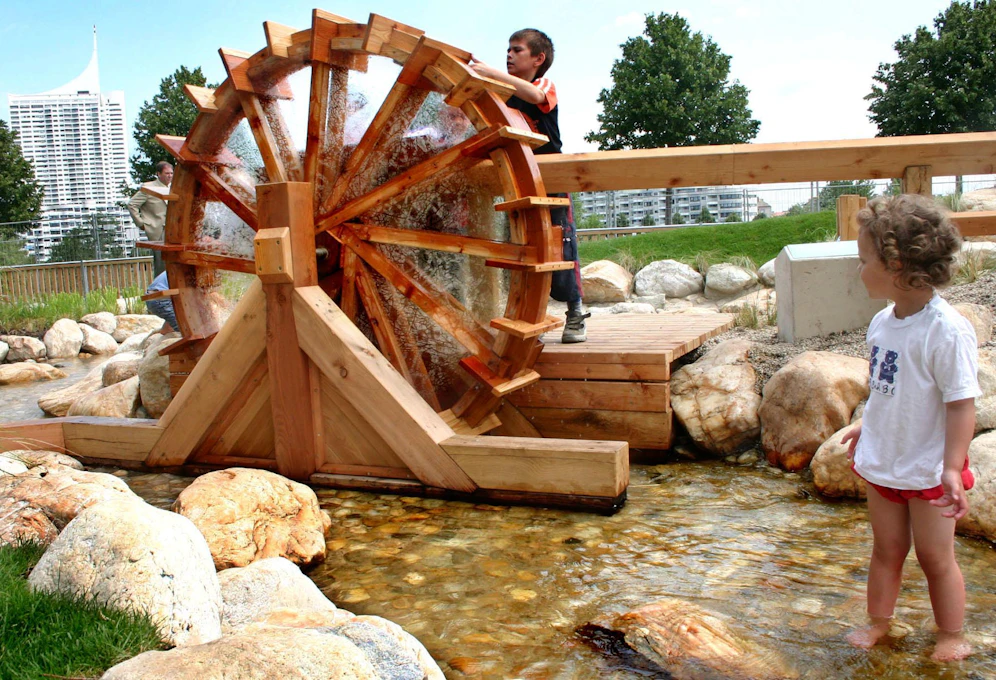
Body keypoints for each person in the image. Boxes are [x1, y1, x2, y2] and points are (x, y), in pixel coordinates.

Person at [841, 194, 979, 662]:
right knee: (887, 550)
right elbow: (889, 390)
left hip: (927, 470)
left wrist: (951, 468)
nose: (857, 270)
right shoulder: (883, 323)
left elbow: (962, 404)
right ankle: (879, 622)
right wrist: (866, 424)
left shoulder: (946, 330)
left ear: (896, 264)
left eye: (863, 260)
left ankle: (951, 634)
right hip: (885, 464)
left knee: (936, 559)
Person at [471, 29, 588, 343]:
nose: (509, 55)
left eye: (517, 50)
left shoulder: (542, 85)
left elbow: (536, 98)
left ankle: (575, 313)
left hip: (550, 179)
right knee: (523, 250)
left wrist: (491, 74)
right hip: (519, 181)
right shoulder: (504, 100)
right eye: (507, 49)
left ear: (539, 58)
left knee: (561, 245)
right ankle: (528, 322)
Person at [128, 161, 173, 276]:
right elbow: (132, 204)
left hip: (173, 229)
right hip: (158, 230)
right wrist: (141, 224)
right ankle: (159, 290)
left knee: (174, 262)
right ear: (158, 174)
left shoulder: (174, 187)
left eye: (171, 173)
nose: (170, 176)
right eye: (167, 173)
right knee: (161, 264)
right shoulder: (148, 188)